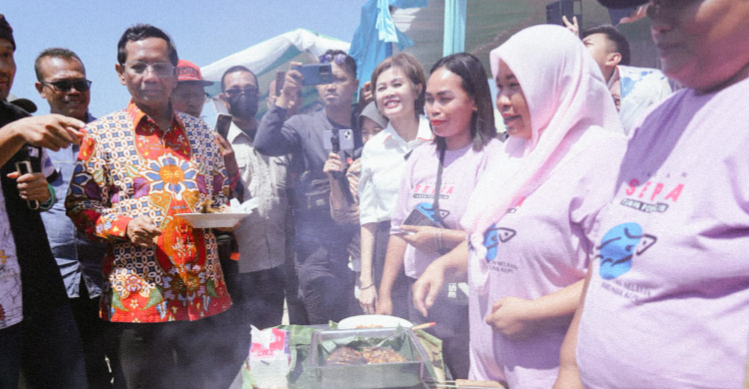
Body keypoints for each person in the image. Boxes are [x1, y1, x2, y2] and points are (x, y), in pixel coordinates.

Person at [415, 25, 627, 387]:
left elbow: (623, 272)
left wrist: (535, 313)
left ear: (554, 82)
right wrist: (445, 265)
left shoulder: (602, 157)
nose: (503, 100)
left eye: (516, 85)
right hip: (491, 374)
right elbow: (492, 240)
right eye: (500, 86)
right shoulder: (516, 152)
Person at [554, 1, 749, 388]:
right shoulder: (655, 119)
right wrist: (570, 370)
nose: (657, 16)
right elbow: (609, 254)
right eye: (652, 2)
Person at [65, 24, 233, 389]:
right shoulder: (100, 135)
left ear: (174, 72)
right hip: (140, 301)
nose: (150, 76)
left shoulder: (202, 133)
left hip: (203, 295)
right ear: (120, 73)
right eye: (139, 67)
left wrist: (225, 215)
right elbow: (80, 205)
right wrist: (123, 225)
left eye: (160, 67)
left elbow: (218, 195)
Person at [383, 52, 501, 379]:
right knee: (427, 378)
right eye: (430, 100)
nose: (434, 110)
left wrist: (439, 239)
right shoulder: (420, 158)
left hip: (469, 301)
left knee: (464, 378)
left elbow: (497, 238)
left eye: (445, 99)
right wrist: (384, 294)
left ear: (475, 101)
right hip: (419, 294)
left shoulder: (494, 158)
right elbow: (398, 230)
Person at [0, 14, 89, 389]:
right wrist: (14, 133)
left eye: (7, 54)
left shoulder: (19, 119)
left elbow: (48, 192)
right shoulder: (21, 125)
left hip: (40, 292)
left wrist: (42, 193)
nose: (3, 67)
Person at [255, 49, 361, 324]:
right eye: (324, 78)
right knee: (324, 330)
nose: (330, 85)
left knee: (362, 327)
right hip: (316, 249)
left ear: (355, 84)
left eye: (338, 78)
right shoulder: (302, 124)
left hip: (362, 245)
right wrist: (283, 99)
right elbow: (264, 143)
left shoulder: (368, 125)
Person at [34, 47, 118, 388]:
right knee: (78, 374)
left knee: (127, 367)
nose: (73, 92)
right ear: (41, 90)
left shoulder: (113, 137)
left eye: (80, 83)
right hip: (57, 285)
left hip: (113, 278)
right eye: (62, 84)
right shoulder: (27, 143)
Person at [355, 53, 432, 319]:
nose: (389, 93)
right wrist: (367, 280)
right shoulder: (374, 148)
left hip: (434, 245)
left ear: (417, 88)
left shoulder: (439, 137)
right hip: (388, 252)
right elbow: (368, 217)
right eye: (381, 87)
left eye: (397, 84)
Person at [323, 100, 388, 315]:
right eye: (365, 132)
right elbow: (342, 216)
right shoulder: (358, 166)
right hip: (366, 261)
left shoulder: (409, 160)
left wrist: (374, 213)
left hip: (398, 257)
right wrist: (335, 182)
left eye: (377, 131)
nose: (370, 139)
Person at [563, 18, 672, 134]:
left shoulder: (653, 86)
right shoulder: (575, 92)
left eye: (586, 44)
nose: (579, 50)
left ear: (613, 59)